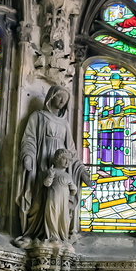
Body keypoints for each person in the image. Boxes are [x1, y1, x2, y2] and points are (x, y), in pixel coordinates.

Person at [16, 85, 92, 244]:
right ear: (51, 97)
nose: (62, 101)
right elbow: (29, 139)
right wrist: (28, 156)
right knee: (40, 197)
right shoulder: (38, 116)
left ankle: (56, 233)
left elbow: (71, 150)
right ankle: (38, 233)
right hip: (41, 162)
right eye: (60, 97)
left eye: (65, 100)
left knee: (58, 200)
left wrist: (81, 170)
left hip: (62, 166)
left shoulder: (65, 124)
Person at [43, 148, 77, 242]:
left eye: (69, 160)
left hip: (64, 201)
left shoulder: (67, 175)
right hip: (53, 199)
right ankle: (53, 236)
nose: (67, 162)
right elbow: (46, 184)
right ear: (58, 158)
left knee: (64, 218)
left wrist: (73, 188)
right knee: (53, 215)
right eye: (65, 159)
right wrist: (50, 176)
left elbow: (73, 191)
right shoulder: (51, 171)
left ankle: (63, 236)